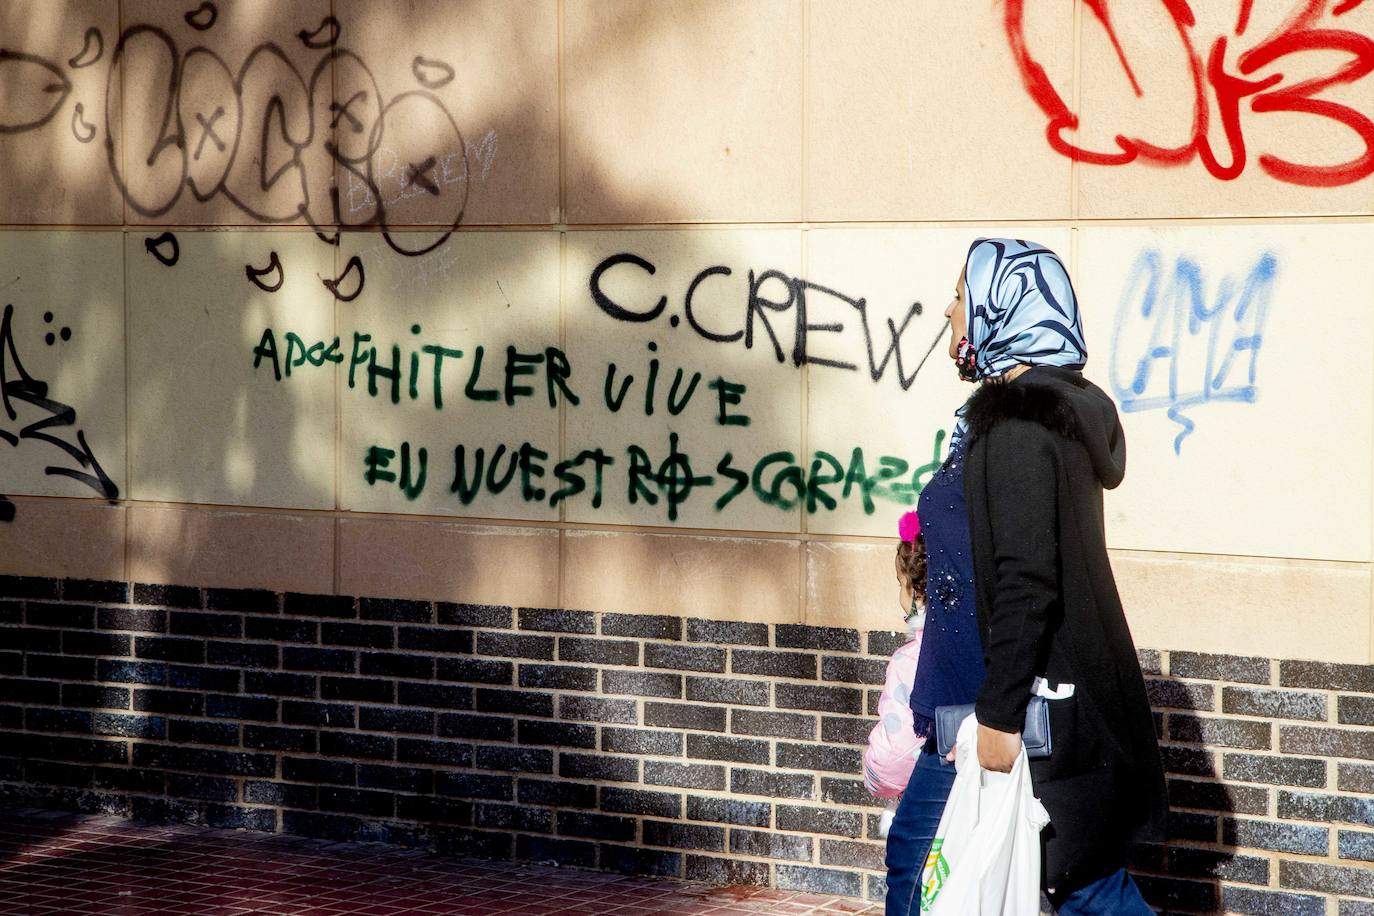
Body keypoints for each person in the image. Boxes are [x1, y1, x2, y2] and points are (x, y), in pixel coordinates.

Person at [953, 238, 1167, 913]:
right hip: (1078, 708)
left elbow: (1026, 583)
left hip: (1052, 712)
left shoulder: (1017, 431)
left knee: (1088, 889)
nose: (950, 315)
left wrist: (998, 711)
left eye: (961, 297)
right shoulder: (1059, 421)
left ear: (1002, 307)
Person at [864, 511, 928, 832]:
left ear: (916, 593)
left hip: (928, 813)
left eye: (901, 585)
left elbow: (894, 757)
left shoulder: (911, 660)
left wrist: (871, 770)